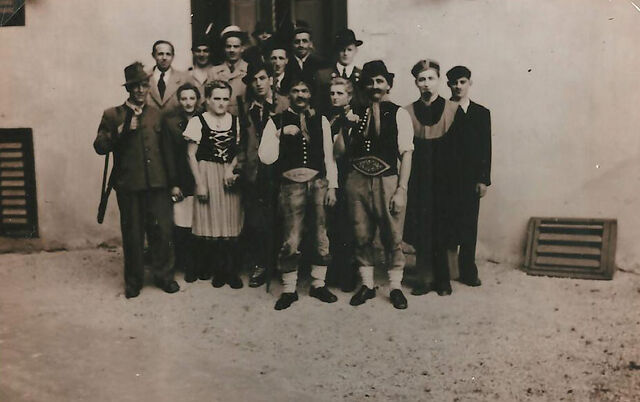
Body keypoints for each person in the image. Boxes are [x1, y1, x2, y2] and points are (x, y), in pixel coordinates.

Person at [94, 62, 180, 298]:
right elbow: (99, 147)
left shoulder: (157, 115)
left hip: (158, 185)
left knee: (162, 232)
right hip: (129, 186)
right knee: (133, 235)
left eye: (144, 85)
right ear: (128, 89)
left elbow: (167, 151)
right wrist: (121, 130)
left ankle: (164, 277)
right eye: (135, 86)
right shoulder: (113, 115)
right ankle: (133, 281)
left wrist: (173, 182)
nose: (141, 90)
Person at [334, 60, 413, 310]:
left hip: (387, 181)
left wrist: (401, 190)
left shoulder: (399, 113)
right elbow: (338, 152)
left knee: (393, 236)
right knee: (361, 234)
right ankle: (367, 285)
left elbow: (406, 154)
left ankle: (395, 287)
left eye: (380, 81)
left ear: (388, 84)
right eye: (369, 82)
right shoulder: (352, 112)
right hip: (356, 181)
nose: (375, 86)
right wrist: (344, 126)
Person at [258, 77, 339, 310]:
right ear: (288, 95)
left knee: (321, 235)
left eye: (305, 90)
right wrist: (279, 133)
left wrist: (332, 186)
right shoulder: (276, 120)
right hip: (290, 186)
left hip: (318, 184)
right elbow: (265, 157)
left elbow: (329, 156)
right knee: (291, 237)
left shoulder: (320, 121)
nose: (300, 95)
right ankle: (289, 289)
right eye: (295, 90)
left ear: (310, 94)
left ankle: (318, 284)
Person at [403, 59, 460, 296]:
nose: (426, 83)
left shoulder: (453, 110)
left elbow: (460, 151)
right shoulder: (406, 112)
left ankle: (443, 278)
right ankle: (424, 278)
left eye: (431, 78)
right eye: (422, 79)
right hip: (418, 177)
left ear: (438, 81)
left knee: (443, 225)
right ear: (416, 83)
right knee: (422, 225)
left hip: (445, 178)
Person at [184, 80, 245, 289]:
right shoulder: (198, 121)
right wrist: (200, 183)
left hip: (229, 174)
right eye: (216, 98)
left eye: (225, 99)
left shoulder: (236, 121)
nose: (221, 103)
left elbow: (240, 150)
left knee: (231, 220)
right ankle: (217, 270)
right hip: (207, 172)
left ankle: (231, 271)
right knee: (212, 221)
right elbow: (191, 155)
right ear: (208, 100)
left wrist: (231, 169)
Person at [239, 62, 289, 288]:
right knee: (257, 220)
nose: (258, 83)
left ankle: (281, 263)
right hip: (254, 171)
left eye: (262, 78)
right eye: (254, 80)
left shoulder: (284, 104)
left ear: (271, 79)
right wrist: (240, 166)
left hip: (279, 170)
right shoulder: (245, 107)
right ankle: (261, 264)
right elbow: (242, 141)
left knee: (281, 217)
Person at [445, 65, 492, 287]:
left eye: (462, 82)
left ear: (469, 83)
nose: (458, 86)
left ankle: (468, 270)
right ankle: (447, 269)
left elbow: (486, 148)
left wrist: (483, 179)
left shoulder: (481, 113)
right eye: (454, 83)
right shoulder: (442, 110)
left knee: (469, 225)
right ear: (448, 85)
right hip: (446, 178)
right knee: (447, 222)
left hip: (470, 179)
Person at [325, 77, 360, 292]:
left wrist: (347, 125)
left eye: (340, 93)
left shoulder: (355, 117)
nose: (335, 97)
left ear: (349, 96)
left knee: (349, 223)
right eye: (332, 93)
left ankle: (348, 272)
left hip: (349, 173)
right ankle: (335, 268)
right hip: (332, 173)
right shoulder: (329, 118)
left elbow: (342, 151)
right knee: (334, 223)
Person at [162, 83, 200, 282]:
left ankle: (200, 264)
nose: (188, 103)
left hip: (201, 177)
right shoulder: (171, 123)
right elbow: (168, 155)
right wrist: (174, 184)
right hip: (182, 179)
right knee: (183, 223)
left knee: (200, 223)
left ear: (198, 100)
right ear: (178, 101)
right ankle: (186, 264)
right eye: (184, 98)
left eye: (192, 98)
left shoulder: (204, 119)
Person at [314, 29, 365, 115]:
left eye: (349, 50)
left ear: (356, 51)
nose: (345, 53)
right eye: (342, 49)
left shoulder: (362, 75)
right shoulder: (323, 75)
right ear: (337, 50)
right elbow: (318, 104)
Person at [210, 26, 248, 116]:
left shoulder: (250, 69)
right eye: (228, 46)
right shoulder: (213, 72)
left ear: (242, 48)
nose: (232, 50)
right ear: (224, 48)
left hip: (243, 119)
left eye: (236, 46)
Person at [147, 40, 193, 114]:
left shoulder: (184, 78)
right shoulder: (145, 77)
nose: (164, 58)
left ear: (173, 56)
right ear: (153, 55)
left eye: (168, 54)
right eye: (160, 54)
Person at [188, 36, 214, 106]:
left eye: (205, 51)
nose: (202, 54)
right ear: (193, 52)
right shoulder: (187, 75)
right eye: (198, 51)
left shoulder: (218, 73)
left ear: (210, 53)